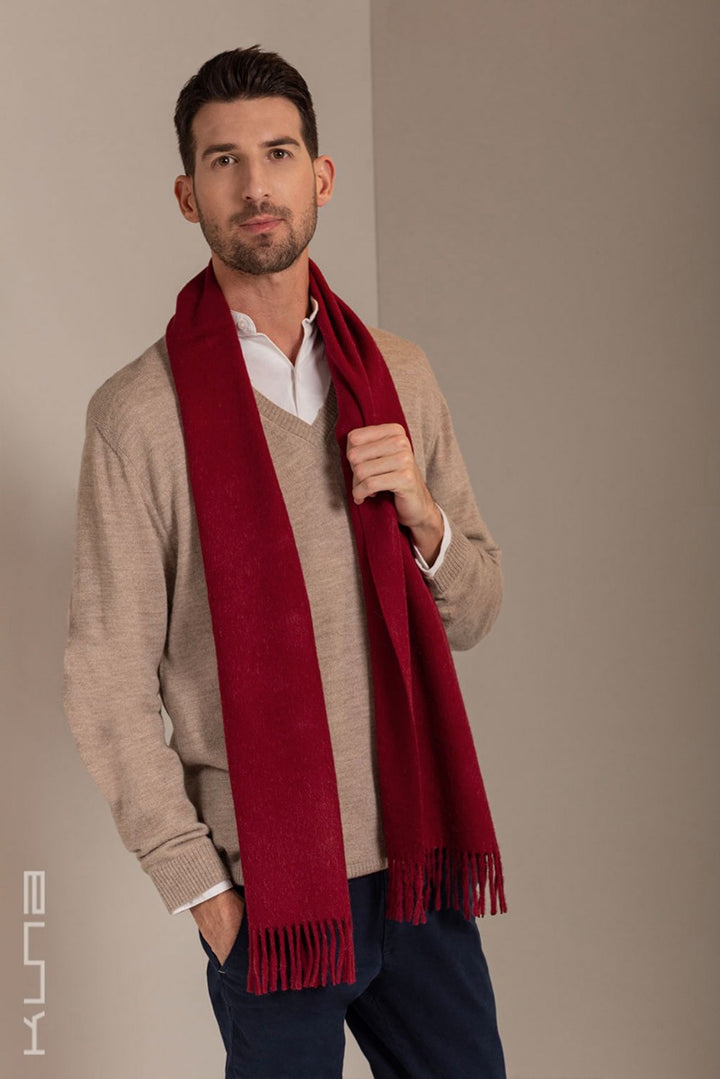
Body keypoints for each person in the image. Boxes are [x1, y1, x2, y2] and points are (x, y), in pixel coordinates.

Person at [63, 45, 508, 1079]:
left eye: (277, 153)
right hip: (272, 891)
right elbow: (105, 680)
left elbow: (477, 606)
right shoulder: (138, 416)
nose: (255, 186)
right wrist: (206, 893)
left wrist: (422, 514)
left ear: (323, 176)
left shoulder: (398, 376)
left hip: (418, 868)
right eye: (223, 161)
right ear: (188, 195)